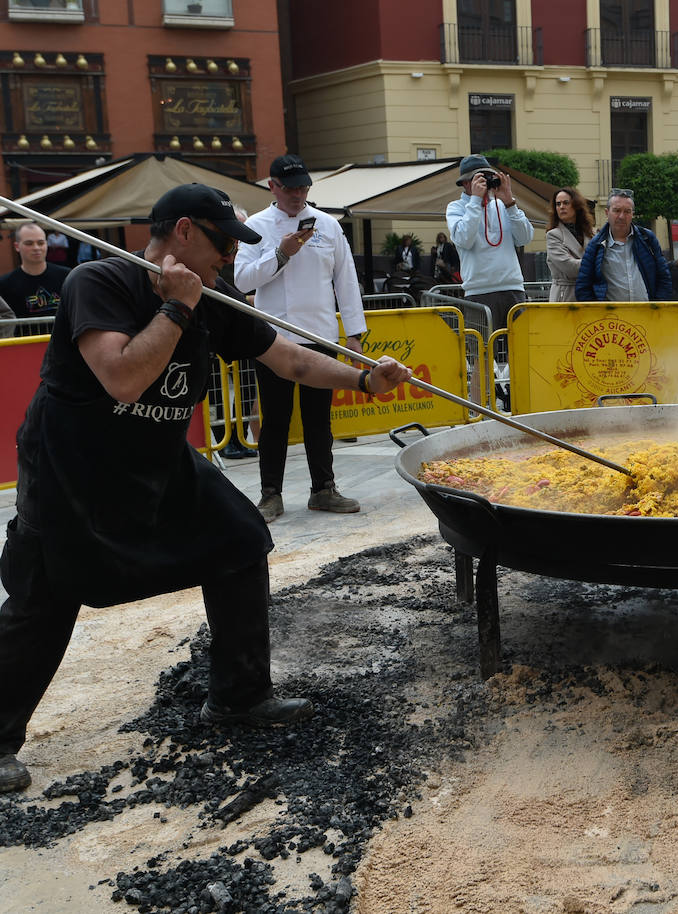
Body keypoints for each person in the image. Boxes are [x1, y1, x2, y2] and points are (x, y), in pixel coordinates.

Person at [0, 183, 412, 795]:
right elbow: (123, 379)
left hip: (160, 459)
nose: (229, 258)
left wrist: (362, 378)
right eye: (224, 243)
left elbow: (290, 361)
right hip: (72, 467)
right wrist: (175, 310)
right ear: (185, 230)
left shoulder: (211, 296)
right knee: (46, 596)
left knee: (240, 541)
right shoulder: (101, 283)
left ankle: (239, 699)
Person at [236, 154, 370, 523]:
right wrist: (280, 254)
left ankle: (323, 488)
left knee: (318, 420)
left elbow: (346, 280)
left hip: (321, 333)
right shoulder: (256, 227)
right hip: (274, 337)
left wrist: (354, 334)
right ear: (272, 187)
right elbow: (242, 280)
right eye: (290, 188)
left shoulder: (328, 224)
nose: (298, 195)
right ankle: (270, 494)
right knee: (275, 420)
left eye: (303, 187)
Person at [445, 154, 533, 332]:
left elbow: (525, 238)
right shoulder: (456, 208)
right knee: (481, 352)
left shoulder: (503, 206)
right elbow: (464, 239)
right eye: (479, 178)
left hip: (512, 288)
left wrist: (510, 203)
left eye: (488, 177)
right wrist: (475, 201)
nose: (486, 183)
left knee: (520, 351)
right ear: (465, 183)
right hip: (479, 292)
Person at [575, 189, 672, 302]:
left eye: (627, 211)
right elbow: (583, 286)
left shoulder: (648, 239)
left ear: (632, 214)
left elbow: (664, 278)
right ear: (607, 213)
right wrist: (598, 314)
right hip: (612, 318)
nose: (621, 216)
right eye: (616, 210)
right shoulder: (596, 245)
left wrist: (658, 308)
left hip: (646, 315)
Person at [0, 222, 71, 328]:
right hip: (24, 343)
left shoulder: (67, 276)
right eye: (29, 243)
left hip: (63, 342)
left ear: (47, 244)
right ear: (17, 246)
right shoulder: (4, 284)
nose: (36, 248)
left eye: (41, 243)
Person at [545, 187, 593, 302]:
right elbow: (570, 268)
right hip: (565, 296)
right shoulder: (553, 235)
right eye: (558, 204)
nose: (561, 207)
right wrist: (594, 263)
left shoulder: (591, 233)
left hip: (588, 295)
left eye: (566, 203)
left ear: (576, 205)